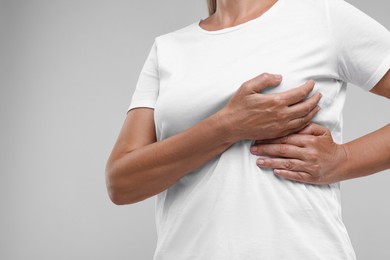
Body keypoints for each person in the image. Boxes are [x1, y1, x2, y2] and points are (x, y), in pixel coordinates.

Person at [105, 0, 390, 258]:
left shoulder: (323, 15)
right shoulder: (168, 49)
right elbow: (121, 182)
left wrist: (344, 159)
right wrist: (227, 126)